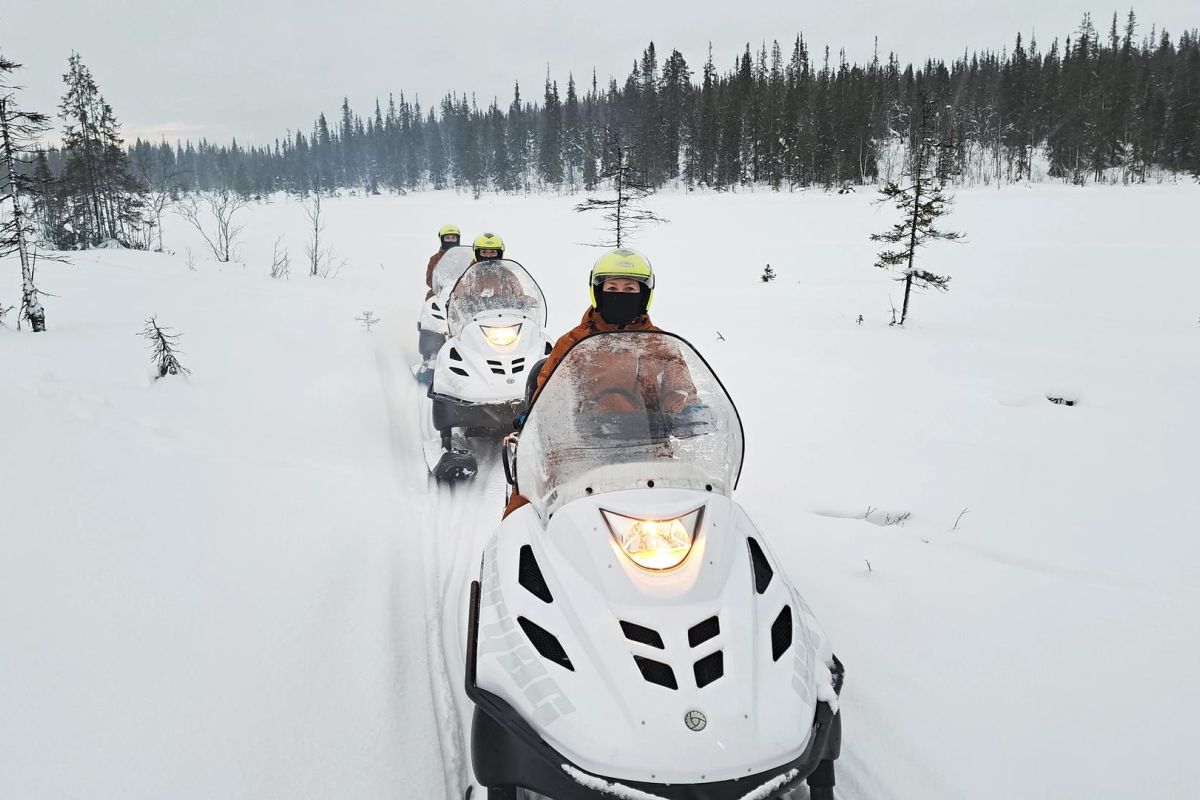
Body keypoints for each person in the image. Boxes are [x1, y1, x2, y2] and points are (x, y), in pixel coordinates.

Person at [502, 248, 697, 518]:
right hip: (581, 449)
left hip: (647, 450)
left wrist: (687, 411)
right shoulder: (573, 344)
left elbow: (679, 389)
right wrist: (542, 417)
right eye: (612, 287)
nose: (620, 295)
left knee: (688, 510)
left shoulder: (660, 345)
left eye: (630, 289)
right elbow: (550, 392)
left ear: (644, 295)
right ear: (597, 291)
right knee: (528, 508)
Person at [425, 224, 461, 299]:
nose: (451, 240)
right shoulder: (434, 259)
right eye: (447, 238)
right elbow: (429, 281)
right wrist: (441, 283)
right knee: (430, 299)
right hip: (440, 292)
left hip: (460, 291)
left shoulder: (464, 256)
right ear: (442, 239)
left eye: (453, 238)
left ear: (458, 239)